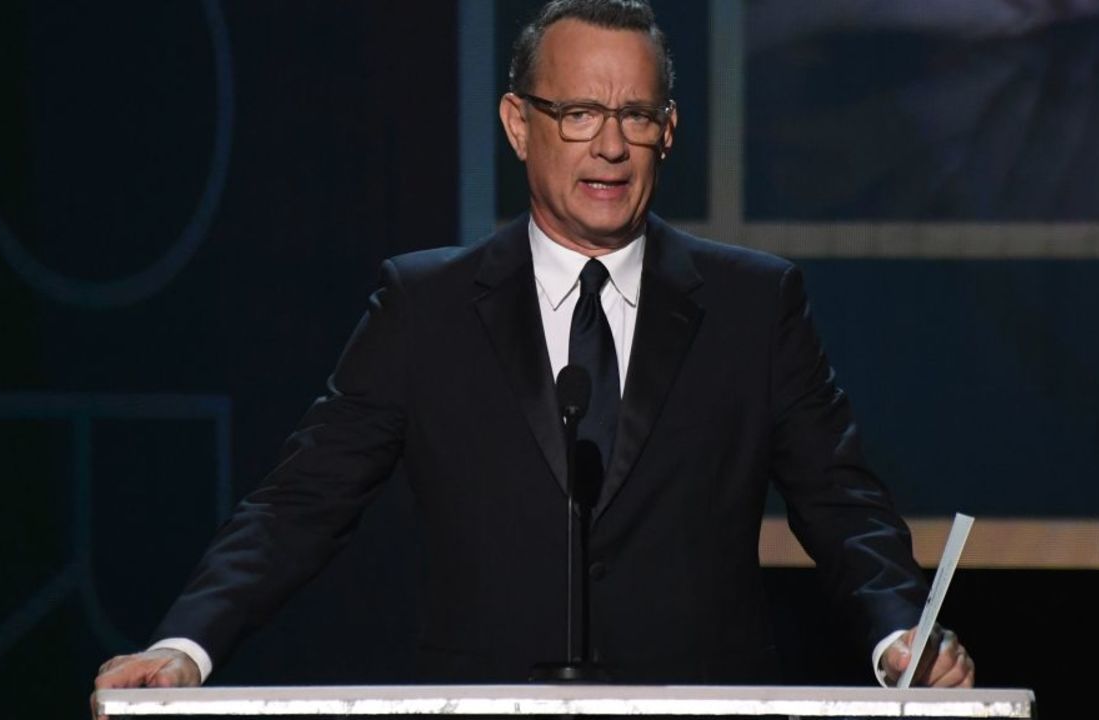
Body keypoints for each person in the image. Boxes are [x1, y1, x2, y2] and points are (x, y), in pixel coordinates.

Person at [93, 0, 974, 713]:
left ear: (669, 131)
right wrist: (186, 649)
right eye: (580, 112)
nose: (610, 145)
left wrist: (897, 628)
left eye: (635, 115)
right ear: (519, 123)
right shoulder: (425, 307)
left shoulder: (754, 303)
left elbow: (839, 498)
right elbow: (299, 503)